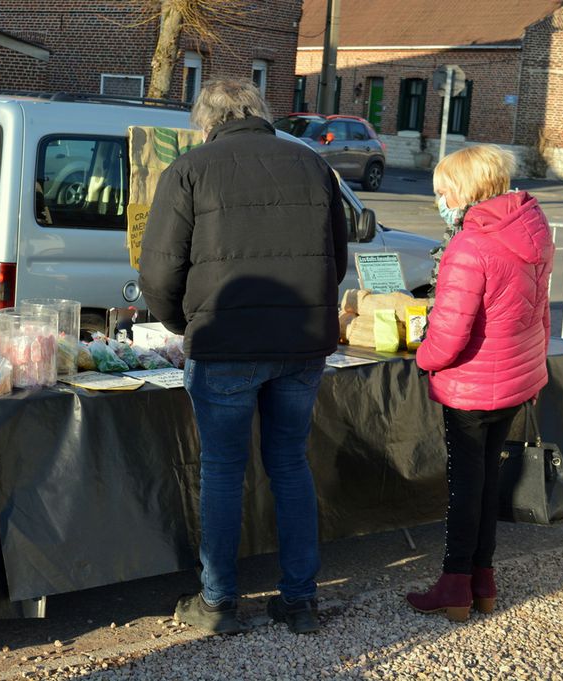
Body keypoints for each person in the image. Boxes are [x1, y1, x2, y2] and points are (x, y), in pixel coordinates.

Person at [139, 78, 347, 635]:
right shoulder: (312, 165)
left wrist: (187, 326)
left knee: (224, 473)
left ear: (205, 122)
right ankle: (300, 601)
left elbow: (158, 275)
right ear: (260, 112)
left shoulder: (189, 169)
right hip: (301, 343)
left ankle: (218, 603)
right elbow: (337, 260)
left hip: (225, 346)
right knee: (289, 464)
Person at [409, 145, 554, 621]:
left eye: (444, 191)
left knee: (466, 485)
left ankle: (455, 583)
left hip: (472, 384)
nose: (441, 201)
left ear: (464, 190)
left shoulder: (470, 245)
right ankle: (481, 579)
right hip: (516, 374)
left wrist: (425, 360)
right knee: (487, 479)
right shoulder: (532, 230)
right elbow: (540, 310)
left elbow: (448, 334)